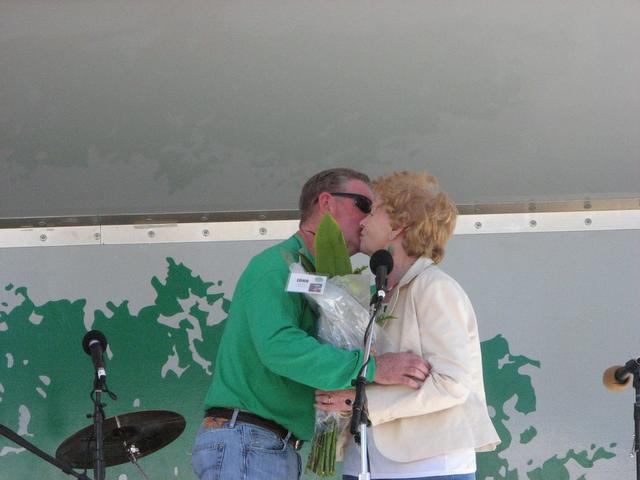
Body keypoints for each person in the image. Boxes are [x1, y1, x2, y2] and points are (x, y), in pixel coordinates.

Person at [192, 168, 431, 480]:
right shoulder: (275, 266)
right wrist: (371, 369)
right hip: (248, 441)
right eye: (363, 204)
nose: (367, 218)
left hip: (268, 445)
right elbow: (279, 346)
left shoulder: (323, 277)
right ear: (327, 203)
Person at [316, 171, 500, 480]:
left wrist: (357, 401)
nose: (362, 221)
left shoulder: (434, 288)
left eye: (373, 211)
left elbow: (452, 384)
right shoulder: (378, 291)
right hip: (365, 462)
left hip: (428, 466)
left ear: (398, 227)